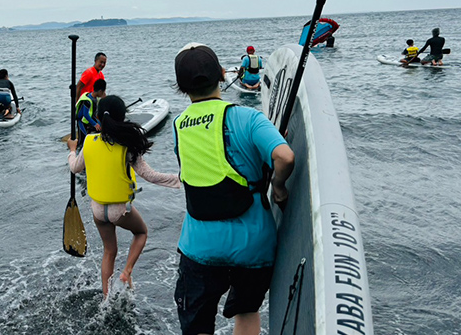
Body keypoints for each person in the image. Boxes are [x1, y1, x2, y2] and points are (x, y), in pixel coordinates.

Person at [172, 43, 295, 335]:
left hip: (200, 246)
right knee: (247, 312)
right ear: (222, 75)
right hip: (253, 245)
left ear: (181, 87)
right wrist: (278, 187)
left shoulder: (178, 126)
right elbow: (285, 157)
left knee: (197, 327)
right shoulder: (249, 118)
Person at [67, 95, 181, 298]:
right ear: (123, 118)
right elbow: (150, 176)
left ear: (98, 118)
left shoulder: (90, 141)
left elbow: (75, 167)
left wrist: (72, 150)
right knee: (141, 233)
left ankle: (106, 298)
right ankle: (127, 272)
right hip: (119, 210)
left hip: (97, 210)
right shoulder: (127, 145)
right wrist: (179, 179)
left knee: (109, 251)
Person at [75, 79, 107, 148]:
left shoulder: (96, 99)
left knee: (101, 129)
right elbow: (85, 114)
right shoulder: (87, 101)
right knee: (82, 140)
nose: (104, 93)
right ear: (100, 91)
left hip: (90, 119)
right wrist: (95, 124)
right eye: (103, 92)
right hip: (82, 121)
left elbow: (95, 112)